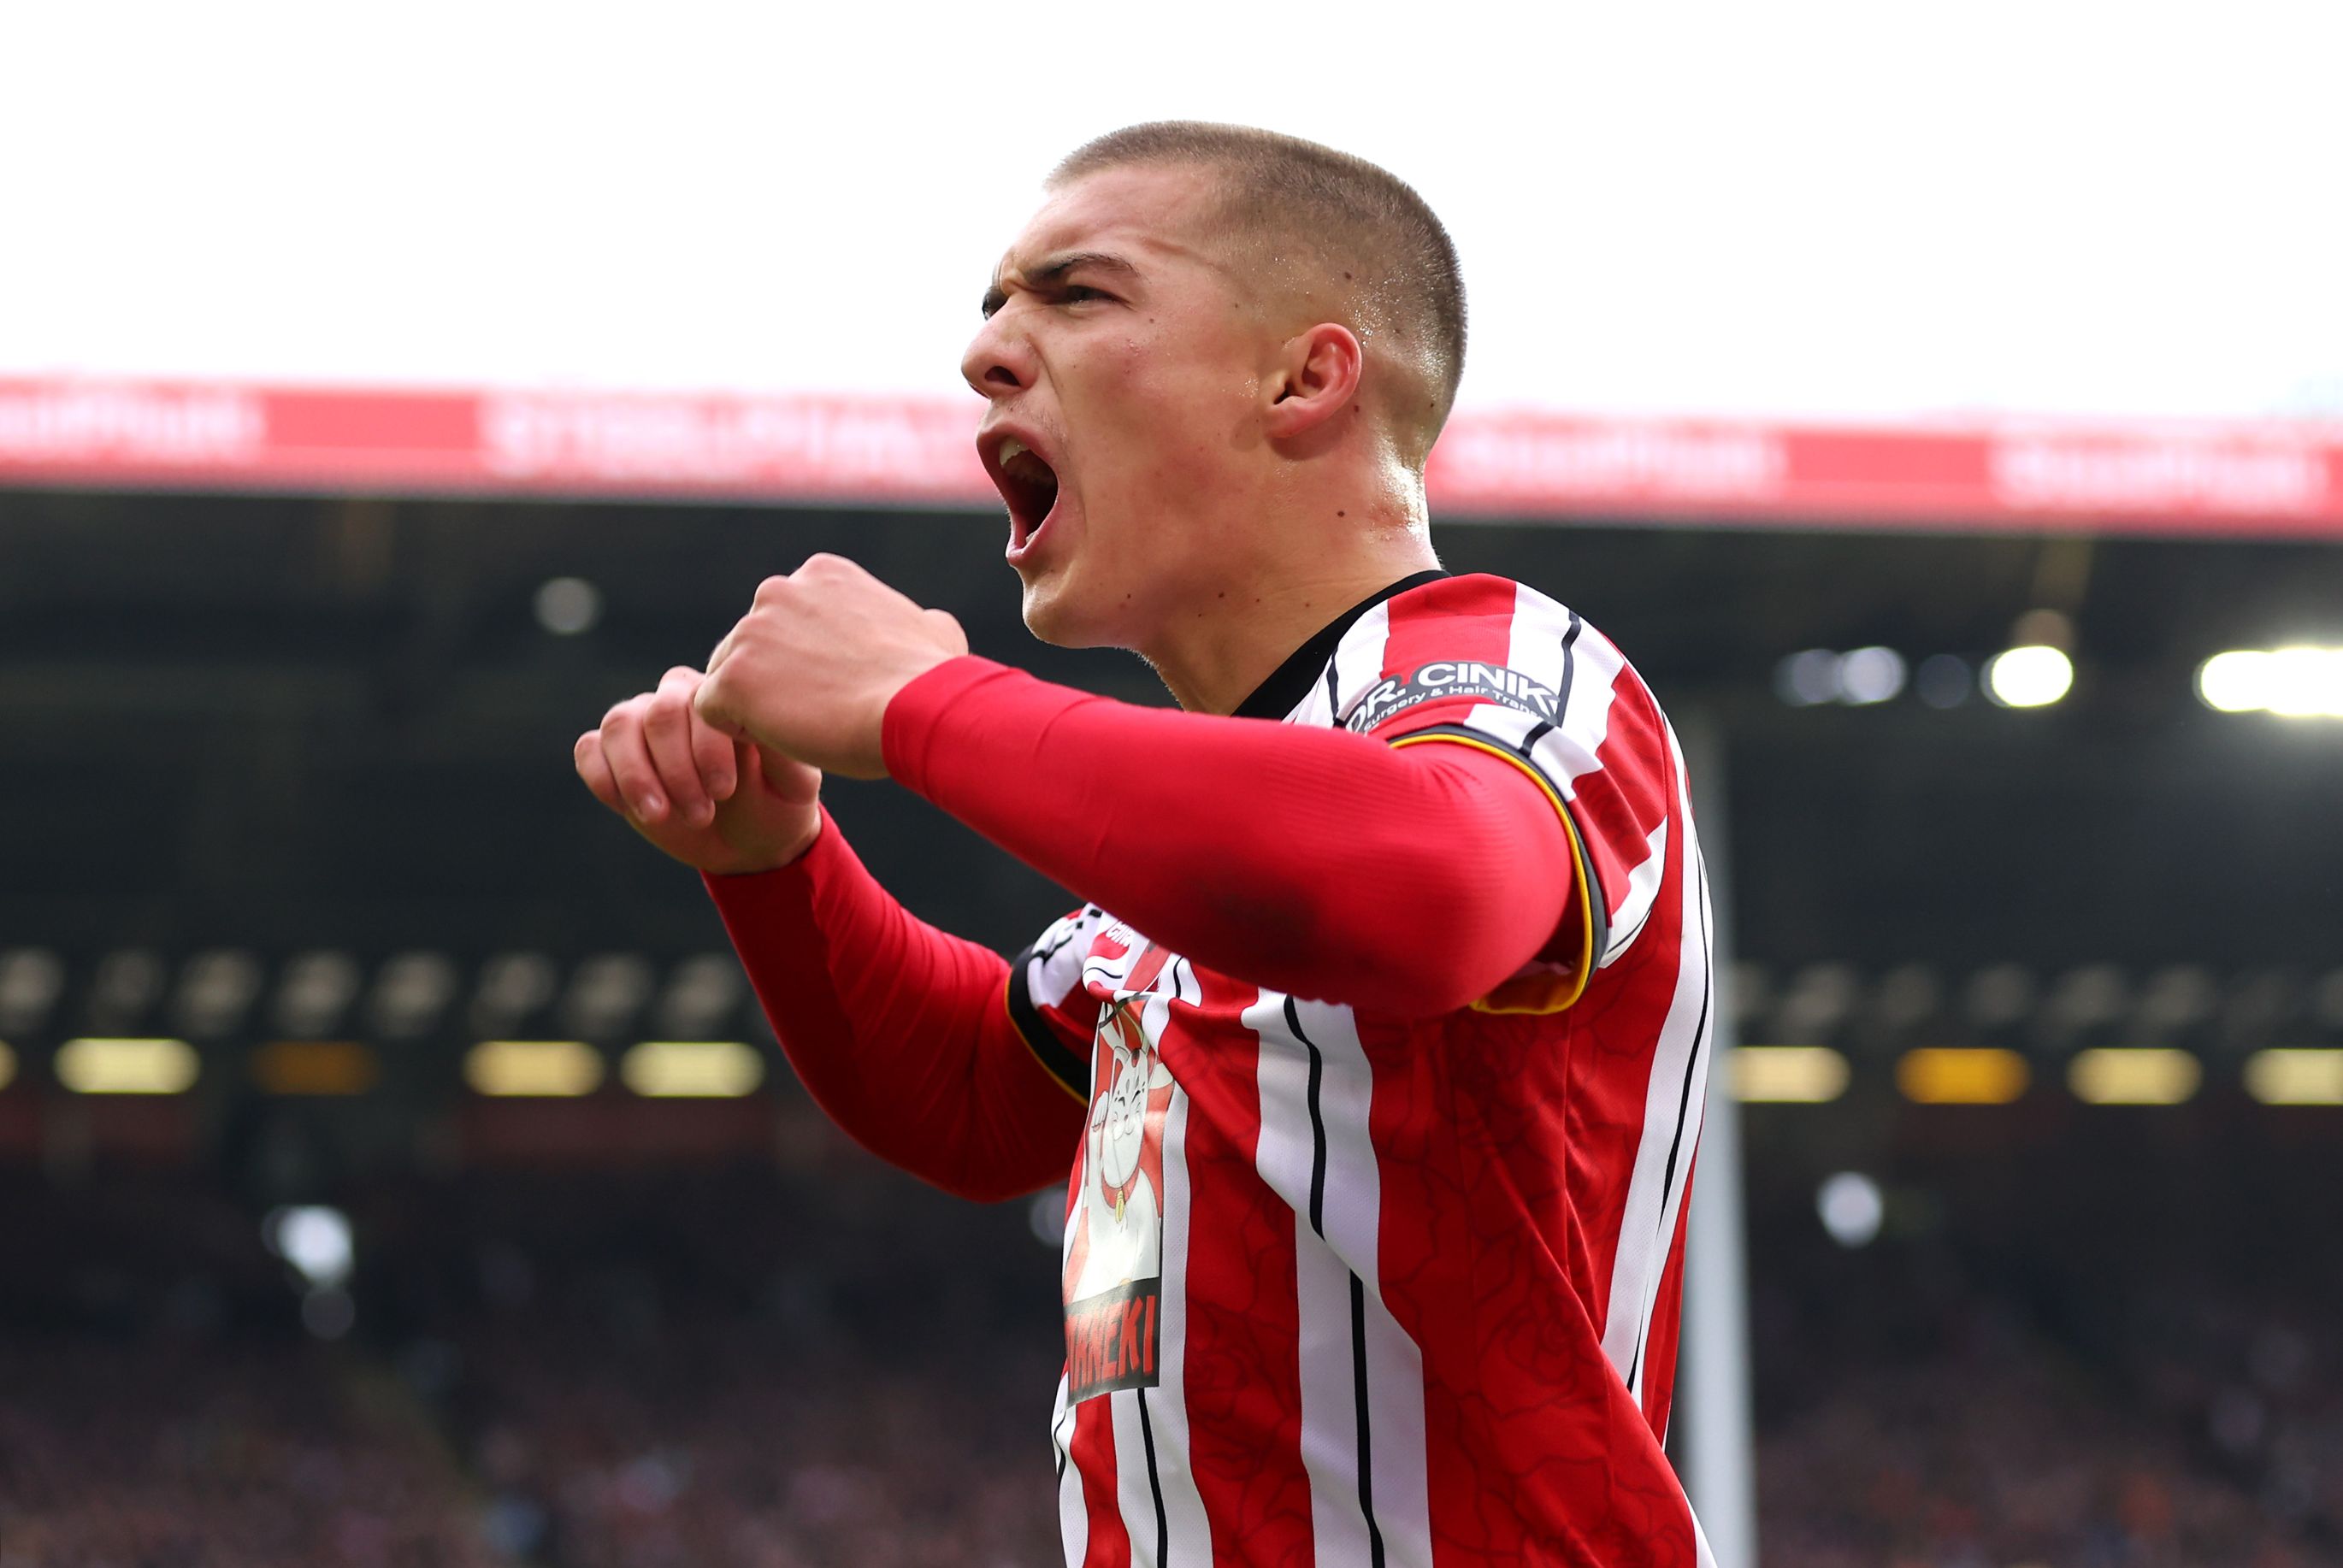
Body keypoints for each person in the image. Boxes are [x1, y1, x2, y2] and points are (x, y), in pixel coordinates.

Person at [575, 122, 1716, 1568]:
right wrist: (777, 860)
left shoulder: (1516, 670)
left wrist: (920, 702)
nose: (988, 352)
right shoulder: (1196, 850)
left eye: (1075, 295)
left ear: (1306, 379)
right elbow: (976, 1096)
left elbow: (1423, 891)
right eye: (990, 308)